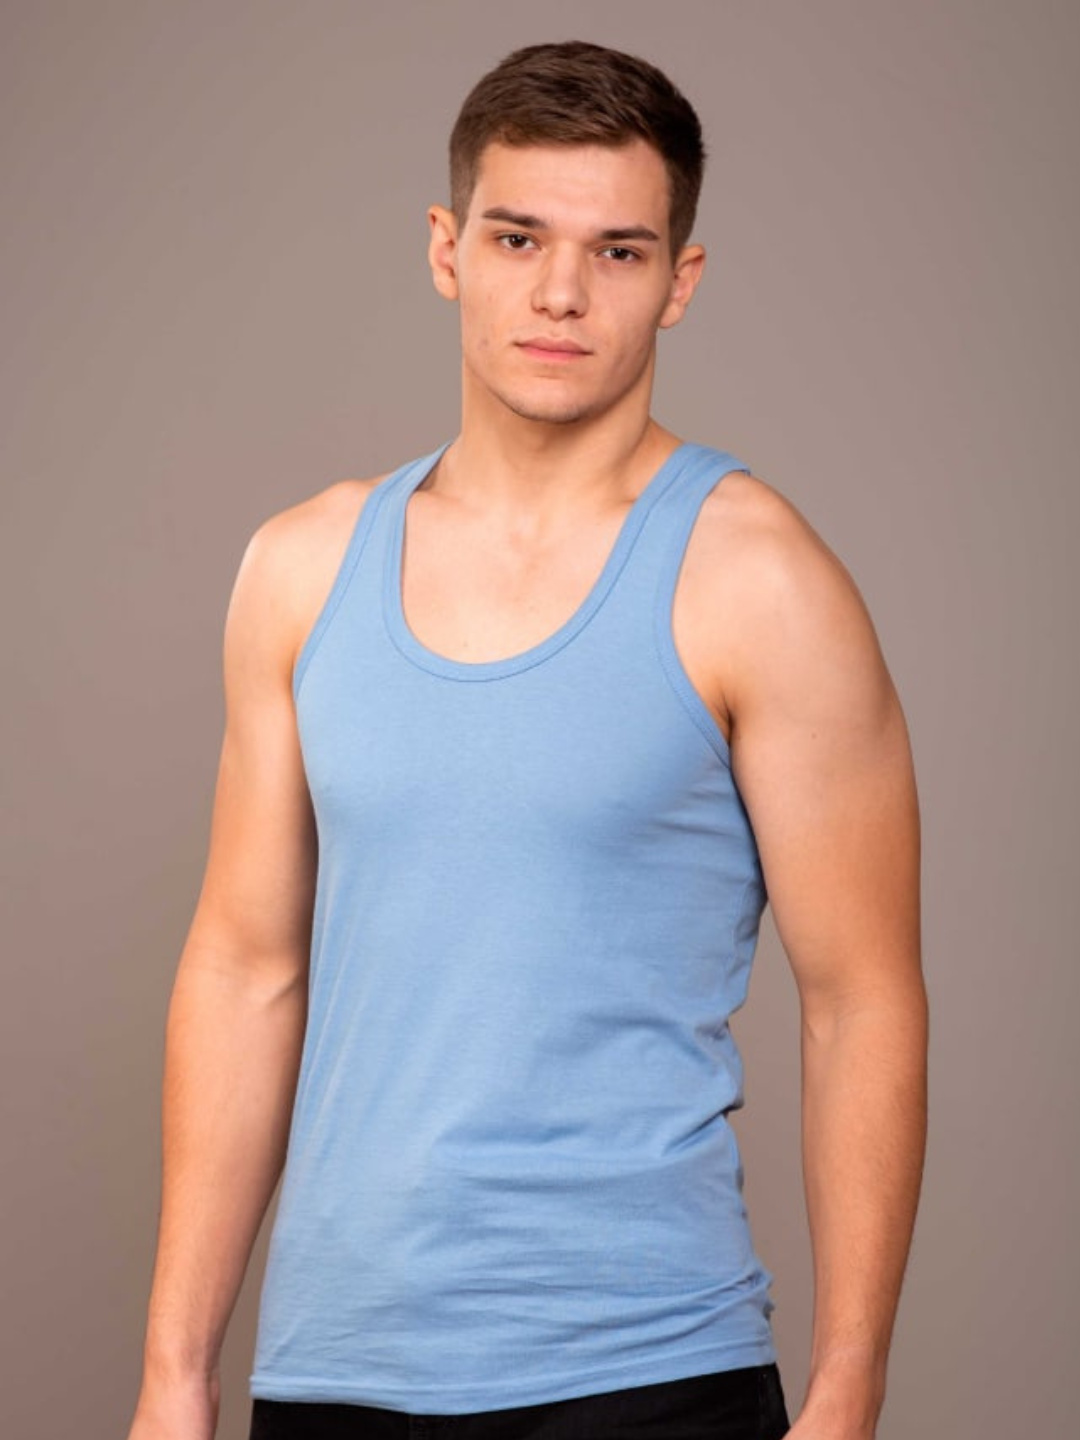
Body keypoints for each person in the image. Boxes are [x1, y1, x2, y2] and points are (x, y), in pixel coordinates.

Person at [126, 39, 927, 1440]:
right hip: (334, 1368)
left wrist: (850, 1389)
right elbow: (247, 968)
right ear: (449, 250)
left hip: (644, 1370)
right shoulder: (303, 567)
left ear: (680, 280)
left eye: (618, 252)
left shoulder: (760, 581)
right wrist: (173, 1373)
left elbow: (862, 999)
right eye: (518, 238)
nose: (561, 293)